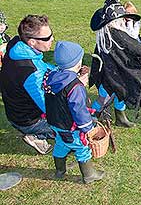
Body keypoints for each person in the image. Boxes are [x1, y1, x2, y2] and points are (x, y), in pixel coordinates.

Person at [43, 41, 104, 184]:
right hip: (71, 126)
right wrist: (88, 128)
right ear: (77, 62)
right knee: (82, 148)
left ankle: (59, 171)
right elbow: (79, 111)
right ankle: (89, 175)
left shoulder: (50, 76)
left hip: (54, 122)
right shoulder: (75, 87)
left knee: (61, 144)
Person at [0, 15, 56, 155]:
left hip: (14, 110)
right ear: (32, 42)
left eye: (51, 34)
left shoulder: (17, 44)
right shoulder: (31, 73)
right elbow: (49, 107)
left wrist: (61, 72)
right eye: (47, 38)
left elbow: (41, 65)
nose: (52, 39)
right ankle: (36, 135)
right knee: (70, 126)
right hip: (28, 121)